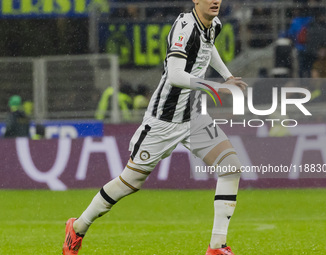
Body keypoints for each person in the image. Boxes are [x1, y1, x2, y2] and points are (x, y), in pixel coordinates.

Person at [62, 1, 247, 254]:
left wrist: (227, 76)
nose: (215, 0)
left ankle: (216, 246)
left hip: (193, 117)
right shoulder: (184, 28)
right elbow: (175, 76)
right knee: (130, 181)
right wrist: (216, 87)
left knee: (231, 167)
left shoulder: (214, 24)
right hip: (163, 120)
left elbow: (208, 48)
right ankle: (78, 226)